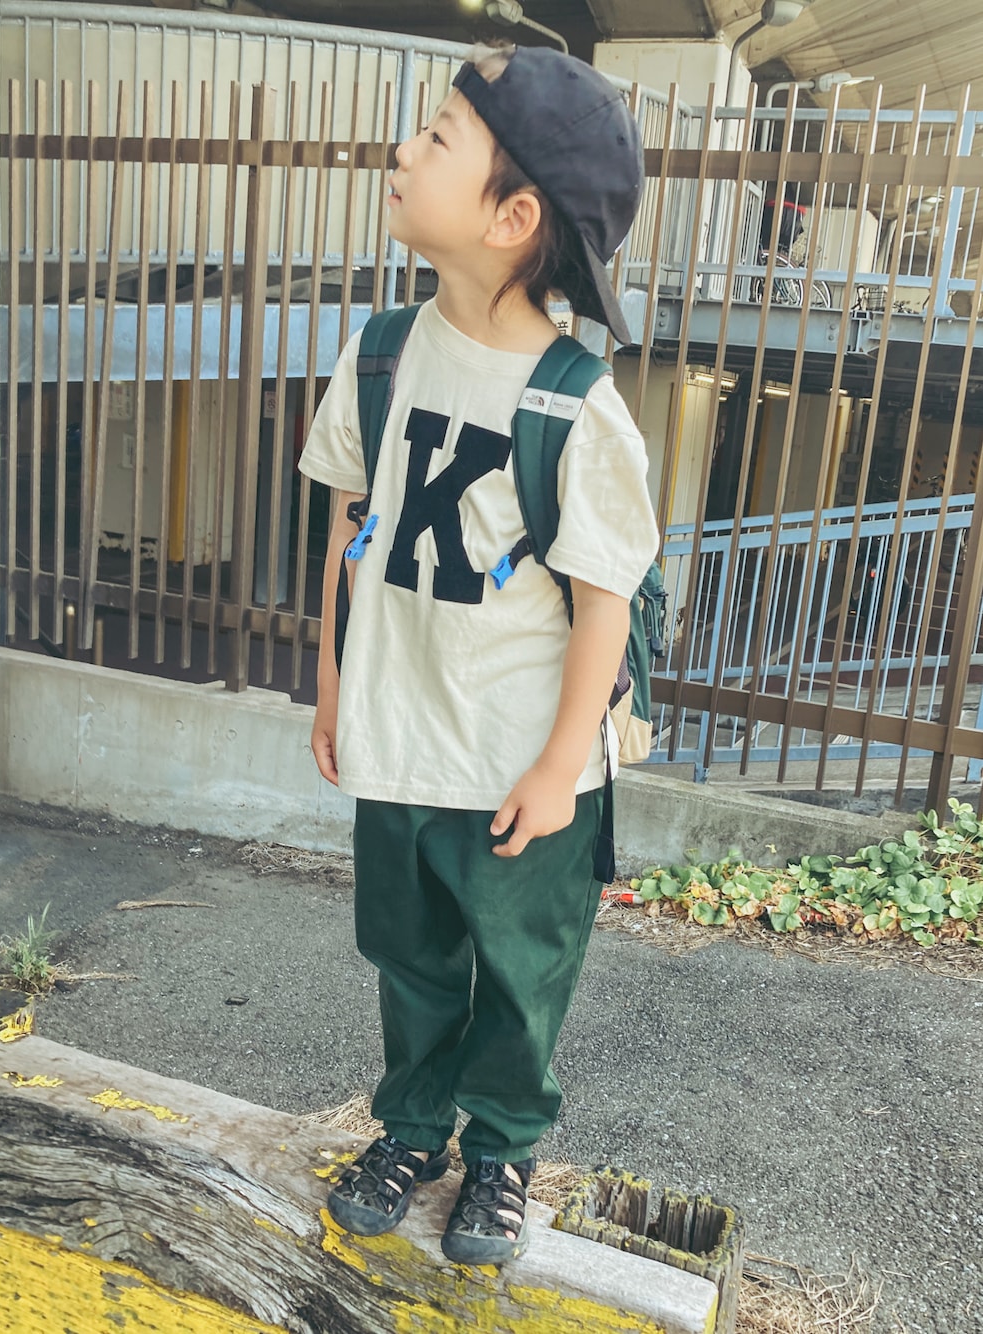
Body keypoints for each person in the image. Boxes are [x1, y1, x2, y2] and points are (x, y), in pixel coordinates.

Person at [298, 41, 659, 1267]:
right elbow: (350, 525)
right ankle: (412, 1125)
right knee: (407, 956)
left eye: (437, 136)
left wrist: (560, 767)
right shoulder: (384, 350)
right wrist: (333, 681)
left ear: (512, 219)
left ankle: (501, 1146)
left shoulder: (573, 405)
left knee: (518, 969)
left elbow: (603, 602)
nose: (402, 150)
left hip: (519, 764)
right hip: (401, 734)